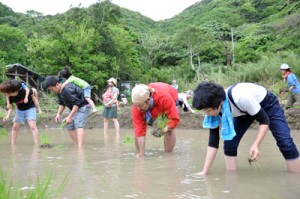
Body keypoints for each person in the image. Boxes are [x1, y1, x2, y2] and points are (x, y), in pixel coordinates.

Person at [192, 81, 300, 175]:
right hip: (243, 112)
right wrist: (204, 171)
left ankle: (296, 177)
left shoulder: (240, 98)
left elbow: (264, 120)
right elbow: (213, 141)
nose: (207, 114)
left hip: (267, 104)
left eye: (208, 110)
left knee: (285, 142)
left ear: (219, 102)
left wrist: (256, 144)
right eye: (204, 110)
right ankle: (231, 180)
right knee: (229, 143)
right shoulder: (213, 108)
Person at [131, 83, 180, 157]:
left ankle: (168, 155)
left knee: (169, 129)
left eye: (140, 106)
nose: (138, 109)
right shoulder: (137, 105)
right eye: (136, 106)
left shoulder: (165, 98)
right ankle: (140, 153)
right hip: (152, 104)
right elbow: (139, 130)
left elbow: (174, 119)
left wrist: (164, 129)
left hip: (170, 96)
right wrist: (141, 153)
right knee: (138, 130)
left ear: (148, 100)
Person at [45, 76, 90, 147]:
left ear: (57, 84)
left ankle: (80, 148)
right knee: (69, 125)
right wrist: (58, 114)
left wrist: (70, 116)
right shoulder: (59, 91)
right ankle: (76, 144)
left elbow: (77, 104)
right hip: (74, 107)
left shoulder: (67, 89)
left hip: (83, 105)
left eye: (52, 89)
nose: (52, 91)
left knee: (79, 125)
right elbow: (62, 103)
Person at [0, 79, 40, 145]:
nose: (3, 93)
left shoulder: (23, 91)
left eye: (4, 91)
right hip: (20, 110)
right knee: (14, 127)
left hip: (30, 108)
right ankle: (13, 145)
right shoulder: (9, 97)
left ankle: (37, 144)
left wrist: (38, 106)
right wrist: (7, 116)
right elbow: (10, 108)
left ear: (9, 91)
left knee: (32, 126)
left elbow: (34, 91)